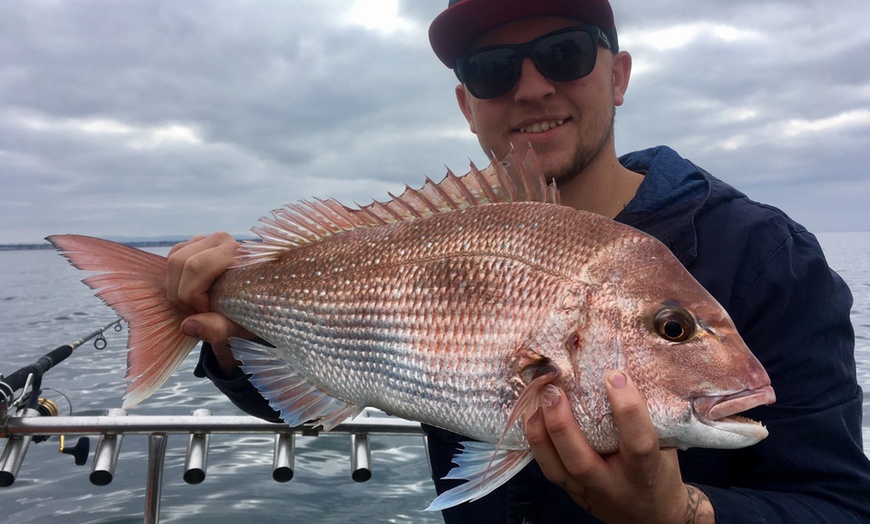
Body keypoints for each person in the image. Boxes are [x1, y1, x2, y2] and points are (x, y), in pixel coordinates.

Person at [166, 0, 870, 522]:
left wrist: (681, 514)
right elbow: (337, 373)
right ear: (466, 105)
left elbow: (840, 504)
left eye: (565, 53)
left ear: (618, 75)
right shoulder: (441, 234)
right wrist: (231, 342)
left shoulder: (768, 257)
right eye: (493, 69)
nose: (532, 88)